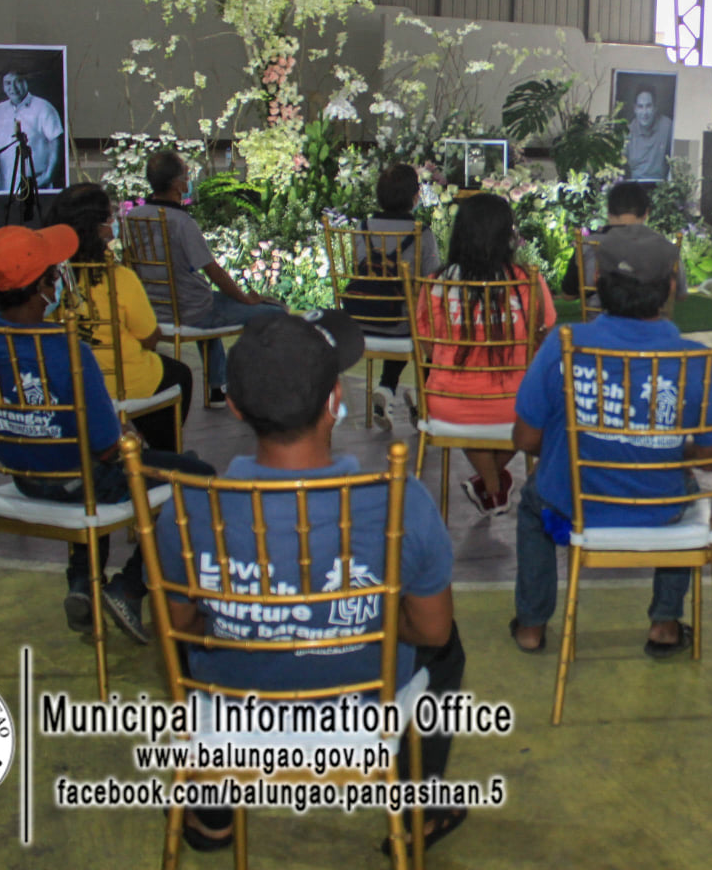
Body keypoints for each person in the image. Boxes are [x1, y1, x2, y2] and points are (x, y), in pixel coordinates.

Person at [148, 310, 464, 855]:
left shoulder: (189, 508)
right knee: (447, 645)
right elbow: (429, 632)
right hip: (360, 713)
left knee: (176, 638)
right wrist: (353, 616)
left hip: (235, 711)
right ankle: (419, 813)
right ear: (334, 398)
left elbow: (181, 627)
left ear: (237, 406)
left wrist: (260, 615)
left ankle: (213, 806)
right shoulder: (399, 498)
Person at [0, 224, 213, 643]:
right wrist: (127, 434)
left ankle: (82, 585)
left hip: (23, 475)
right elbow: (107, 445)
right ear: (43, 285)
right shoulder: (65, 349)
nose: (60, 279)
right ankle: (130, 588)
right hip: (84, 480)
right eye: (54, 274)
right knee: (198, 476)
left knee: (80, 462)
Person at [509, 232, 712, 656]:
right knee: (686, 486)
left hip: (573, 511)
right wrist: (657, 448)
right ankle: (664, 622)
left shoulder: (564, 343)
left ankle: (532, 624)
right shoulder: (698, 360)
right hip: (660, 512)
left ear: (599, 282)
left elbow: (525, 438)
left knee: (533, 506)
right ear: (669, 288)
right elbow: (708, 457)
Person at [418, 193, 556, 516]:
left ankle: (491, 488)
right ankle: (493, 483)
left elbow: (427, 345)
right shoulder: (528, 281)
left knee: (467, 407)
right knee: (542, 412)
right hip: (517, 405)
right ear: (507, 234)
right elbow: (546, 339)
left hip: (447, 403)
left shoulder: (437, 283)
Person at [130, 151, 285, 405]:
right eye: (186, 175)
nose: (189, 180)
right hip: (192, 311)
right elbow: (212, 270)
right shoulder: (181, 222)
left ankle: (217, 388)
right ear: (177, 184)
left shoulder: (134, 218)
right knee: (276, 312)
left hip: (153, 309)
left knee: (209, 299)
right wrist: (245, 299)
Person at [48, 183, 193, 452]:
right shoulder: (118, 278)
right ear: (99, 227)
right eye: (110, 218)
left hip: (68, 380)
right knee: (180, 374)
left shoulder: (49, 279)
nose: (113, 223)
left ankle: (119, 443)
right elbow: (149, 337)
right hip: (122, 384)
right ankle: (162, 456)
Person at [359, 163, 441, 431]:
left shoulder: (363, 228)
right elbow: (433, 281)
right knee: (428, 322)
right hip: (402, 324)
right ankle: (422, 395)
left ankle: (387, 387)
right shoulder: (421, 233)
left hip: (362, 318)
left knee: (404, 314)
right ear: (415, 197)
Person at [561, 181, 685, 311]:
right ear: (646, 213)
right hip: (650, 325)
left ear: (608, 210)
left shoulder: (587, 245)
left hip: (601, 325)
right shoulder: (662, 245)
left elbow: (568, 295)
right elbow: (680, 295)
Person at [0, 71, 63, 193]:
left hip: (35, 183)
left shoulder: (43, 108)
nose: (13, 87)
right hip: (3, 184)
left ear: (26, 82)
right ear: (3, 86)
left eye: (18, 81)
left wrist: (48, 176)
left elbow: (56, 143)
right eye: (8, 83)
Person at [625, 90, 673, 182]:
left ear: (655, 108)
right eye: (640, 107)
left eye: (648, 106)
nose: (644, 113)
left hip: (661, 188)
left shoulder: (667, 127)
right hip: (635, 187)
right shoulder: (627, 132)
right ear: (635, 109)